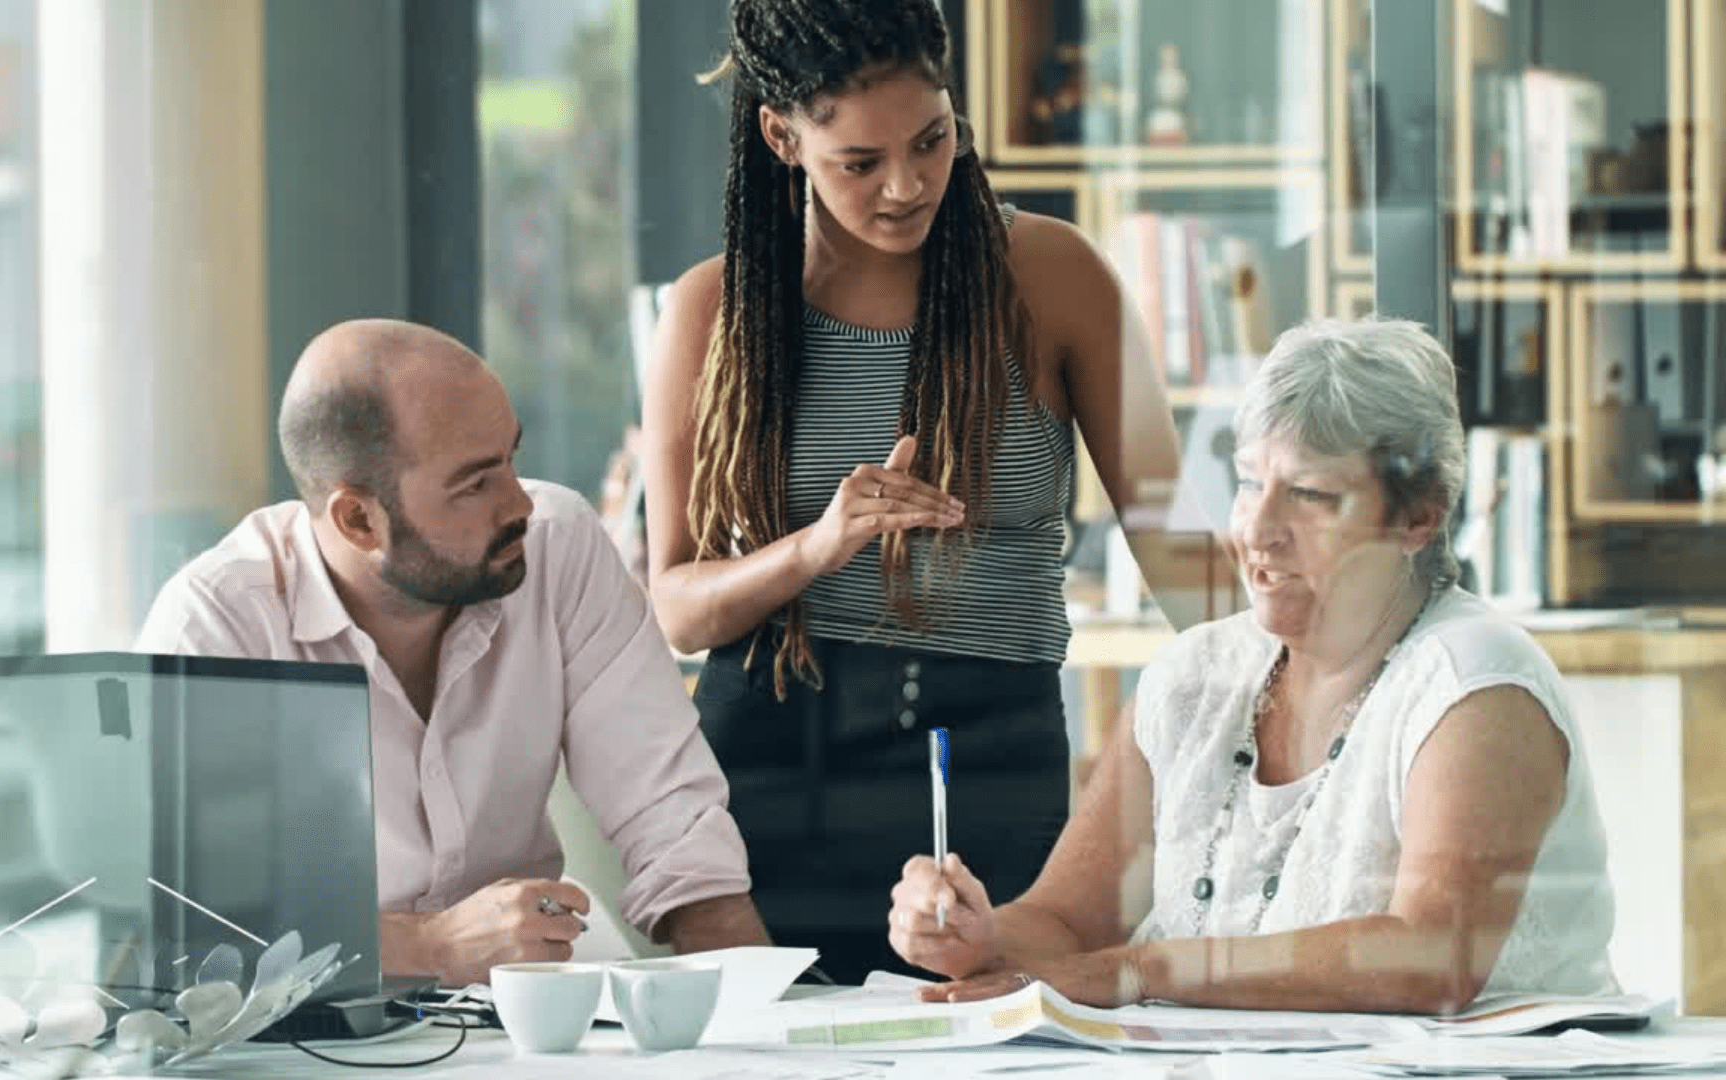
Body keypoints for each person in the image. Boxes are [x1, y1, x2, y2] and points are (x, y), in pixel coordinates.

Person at [641, 0, 1185, 983]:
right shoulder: (709, 311)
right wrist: (816, 547)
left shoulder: (1054, 277)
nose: (908, 184)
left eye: (933, 140)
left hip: (993, 764)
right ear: (781, 136)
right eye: (860, 161)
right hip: (770, 769)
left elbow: (1186, 563)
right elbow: (675, 606)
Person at [887, 318, 1618, 1012]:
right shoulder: (1195, 678)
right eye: (1246, 484)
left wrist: (1146, 969)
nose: (1258, 532)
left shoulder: (1474, 682)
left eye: (1309, 494)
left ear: (1417, 518)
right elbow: (1068, 924)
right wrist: (976, 935)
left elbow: (1433, 958)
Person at [137, 318, 770, 987]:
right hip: (307, 1037)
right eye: (474, 484)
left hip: (527, 1026)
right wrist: (429, 945)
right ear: (358, 519)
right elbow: (183, 923)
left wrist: (764, 1022)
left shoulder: (558, 548)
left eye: (511, 460)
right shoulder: (216, 625)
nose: (520, 502)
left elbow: (670, 818)